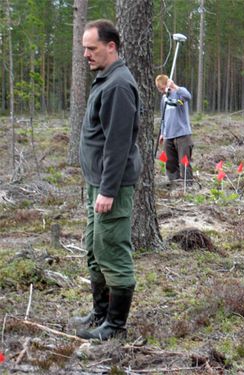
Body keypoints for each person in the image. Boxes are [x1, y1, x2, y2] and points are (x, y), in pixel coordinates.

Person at [71, 19, 142, 340]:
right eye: (84, 48)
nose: (86, 54)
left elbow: (118, 143)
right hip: (98, 184)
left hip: (110, 187)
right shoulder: (105, 79)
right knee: (95, 248)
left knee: (111, 250)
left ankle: (115, 326)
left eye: (92, 48)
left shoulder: (118, 85)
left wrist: (108, 190)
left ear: (111, 46)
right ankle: (100, 314)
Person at [155, 74, 193, 183]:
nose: (161, 91)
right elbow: (163, 117)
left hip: (183, 135)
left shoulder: (179, 92)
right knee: (170, 163)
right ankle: (174, 184)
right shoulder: (164, 98)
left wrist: (175, 86)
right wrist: (162, 133)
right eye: (159, 89)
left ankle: (188, 185)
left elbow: (188, 96)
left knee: (184, 163)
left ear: (166, 84)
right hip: (168, 136)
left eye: (162, 88)